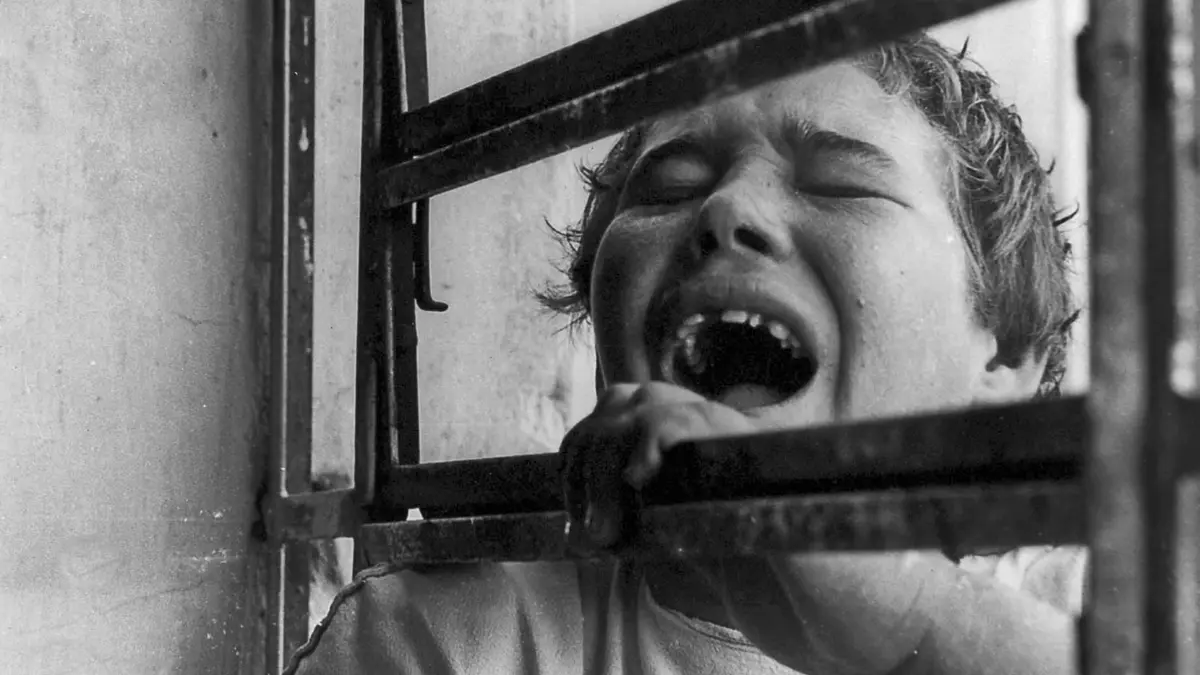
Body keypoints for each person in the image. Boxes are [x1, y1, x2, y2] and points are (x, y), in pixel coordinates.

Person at [285, 33, 1087, 675]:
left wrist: (916, 619)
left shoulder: (1080, 609)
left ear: (1005, 354)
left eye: (840, 185)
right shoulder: (455, 636)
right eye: (668, 189)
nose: (728, 206)